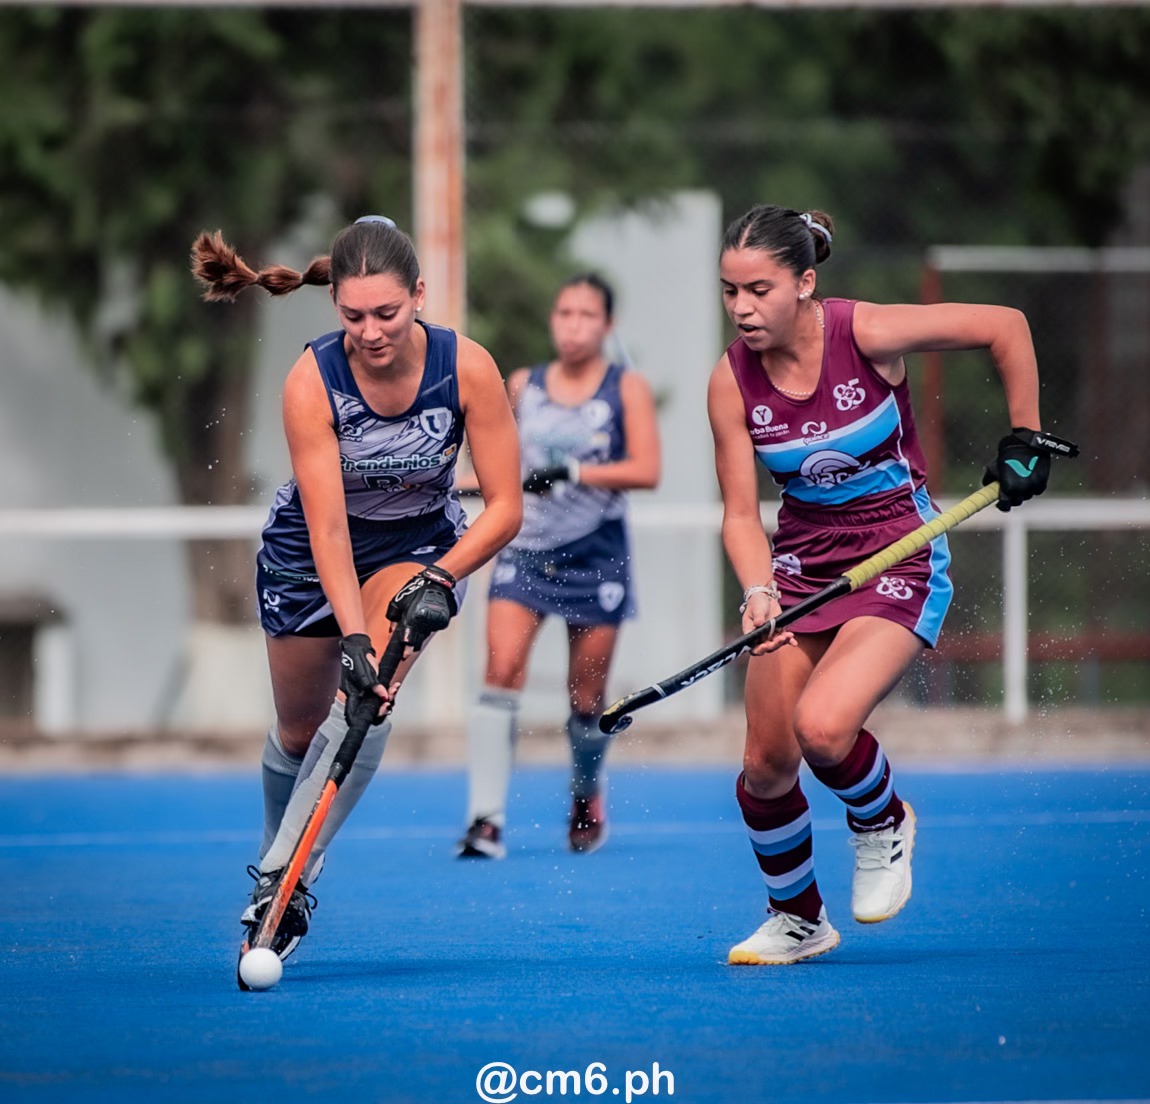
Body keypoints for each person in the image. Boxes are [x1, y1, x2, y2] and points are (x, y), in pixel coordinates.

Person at [709, 204, 1074, 965]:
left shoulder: (866, 332)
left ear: (804, 283)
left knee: (822, 730)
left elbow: (1005, 326)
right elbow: (740, 514)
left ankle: (882, 821)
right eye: (730, 291)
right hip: (801, 570)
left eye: (759, 290)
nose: (742, 308)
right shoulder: (731, 381)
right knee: (765, 767)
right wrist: (757, 591)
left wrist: (1026, 435)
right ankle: (799, 921)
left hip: (897, 555)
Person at [190, 216, 522, 962]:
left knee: (366, 702)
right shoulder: (311, 381)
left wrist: (441, 577)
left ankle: (285, 879)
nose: (371, 332)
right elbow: (330, 530)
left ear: (419, 296)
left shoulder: (466, 368)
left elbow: (505, 507)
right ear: (335, 303)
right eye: (353, 316)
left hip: (415, 548)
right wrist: (353, 634)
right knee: (301, 732)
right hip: (310, 552)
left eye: (388, 313)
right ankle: (278, 849)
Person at [456, 274, 660, 859]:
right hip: (524, 550)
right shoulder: (524, 384)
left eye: (586, 315)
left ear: (607, 325)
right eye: (564, 313)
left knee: (586, 699)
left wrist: (574, 473)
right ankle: (486, 820)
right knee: (500, 670)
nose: (573, 325)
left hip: (596, 552)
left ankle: (585, 791)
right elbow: (497, 464)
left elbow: (646, 470)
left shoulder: (626, 388)